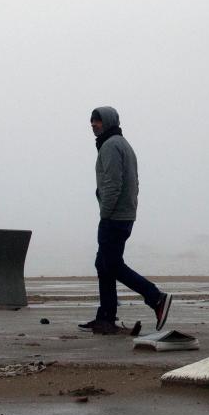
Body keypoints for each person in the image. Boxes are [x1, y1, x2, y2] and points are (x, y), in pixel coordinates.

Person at [80, 106, 172, 335]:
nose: (93, 124)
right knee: (103, 264)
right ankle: (106, 317)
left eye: (98, 121)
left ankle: (156, 298)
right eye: (92, 121)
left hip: (114, 216)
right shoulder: (121, 144)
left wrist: (106, 212)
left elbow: (113, 184)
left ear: (109, 122)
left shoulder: (111, 146)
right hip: (123, 214)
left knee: (111, 264)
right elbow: (134, 183)